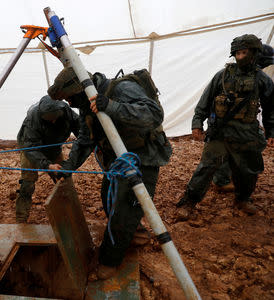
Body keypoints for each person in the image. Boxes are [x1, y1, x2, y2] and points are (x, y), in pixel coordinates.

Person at [47, 67, 172, 280]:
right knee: (108, 197)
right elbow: (86, 139)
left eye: (69, 98)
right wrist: (69, 167)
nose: (69, 104)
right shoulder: (88, 104)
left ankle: (110, 261)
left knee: (123, 212)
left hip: (143, 158)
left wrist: (113, 107)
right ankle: (136, 234)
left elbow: (153, 114)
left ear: (78, 90)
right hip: (117, 161)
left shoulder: (122, 89)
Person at [177, 34, 274, 219]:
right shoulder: (222, 76)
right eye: (237, 53)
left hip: (247, 134)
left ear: (254, 54)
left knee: (248, 171)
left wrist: (271, 131)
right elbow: (204, 102)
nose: (240, 57)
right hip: (220, 133)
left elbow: (271, 109)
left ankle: (243, 199)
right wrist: (197, 123)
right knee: (206, 168)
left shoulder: (262, 80)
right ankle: (189, 202)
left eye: (244, 52)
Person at [211, 43, 274, 193]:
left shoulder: (259, 77)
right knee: (229, 149)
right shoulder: (229, 74)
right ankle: (222, 180)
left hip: (241, 125)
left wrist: (270, 131)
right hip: (228, 124)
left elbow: (269, 105)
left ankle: (233, 178)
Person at [15, 95, 79, 223]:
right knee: (28, 182)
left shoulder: (66, 111)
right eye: (49, 119)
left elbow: (80, 129)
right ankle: (21, 219)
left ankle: (71, 212)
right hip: (31, 149)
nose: (53, 122)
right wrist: (47, 165)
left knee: (63, 176)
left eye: (56, 118)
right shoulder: (33, 119)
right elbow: (30, 147)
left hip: (53, 147)